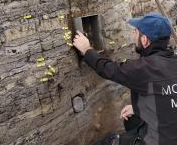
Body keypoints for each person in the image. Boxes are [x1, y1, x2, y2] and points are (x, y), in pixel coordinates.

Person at [73, 12, 177, 145]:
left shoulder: (144, 68)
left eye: (135, 32)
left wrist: (86, 49)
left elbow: (108, 69)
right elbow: (167, 97)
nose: (133, 35)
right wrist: (137, 107)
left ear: (144, 40)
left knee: (107, 142)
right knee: (132, 120)